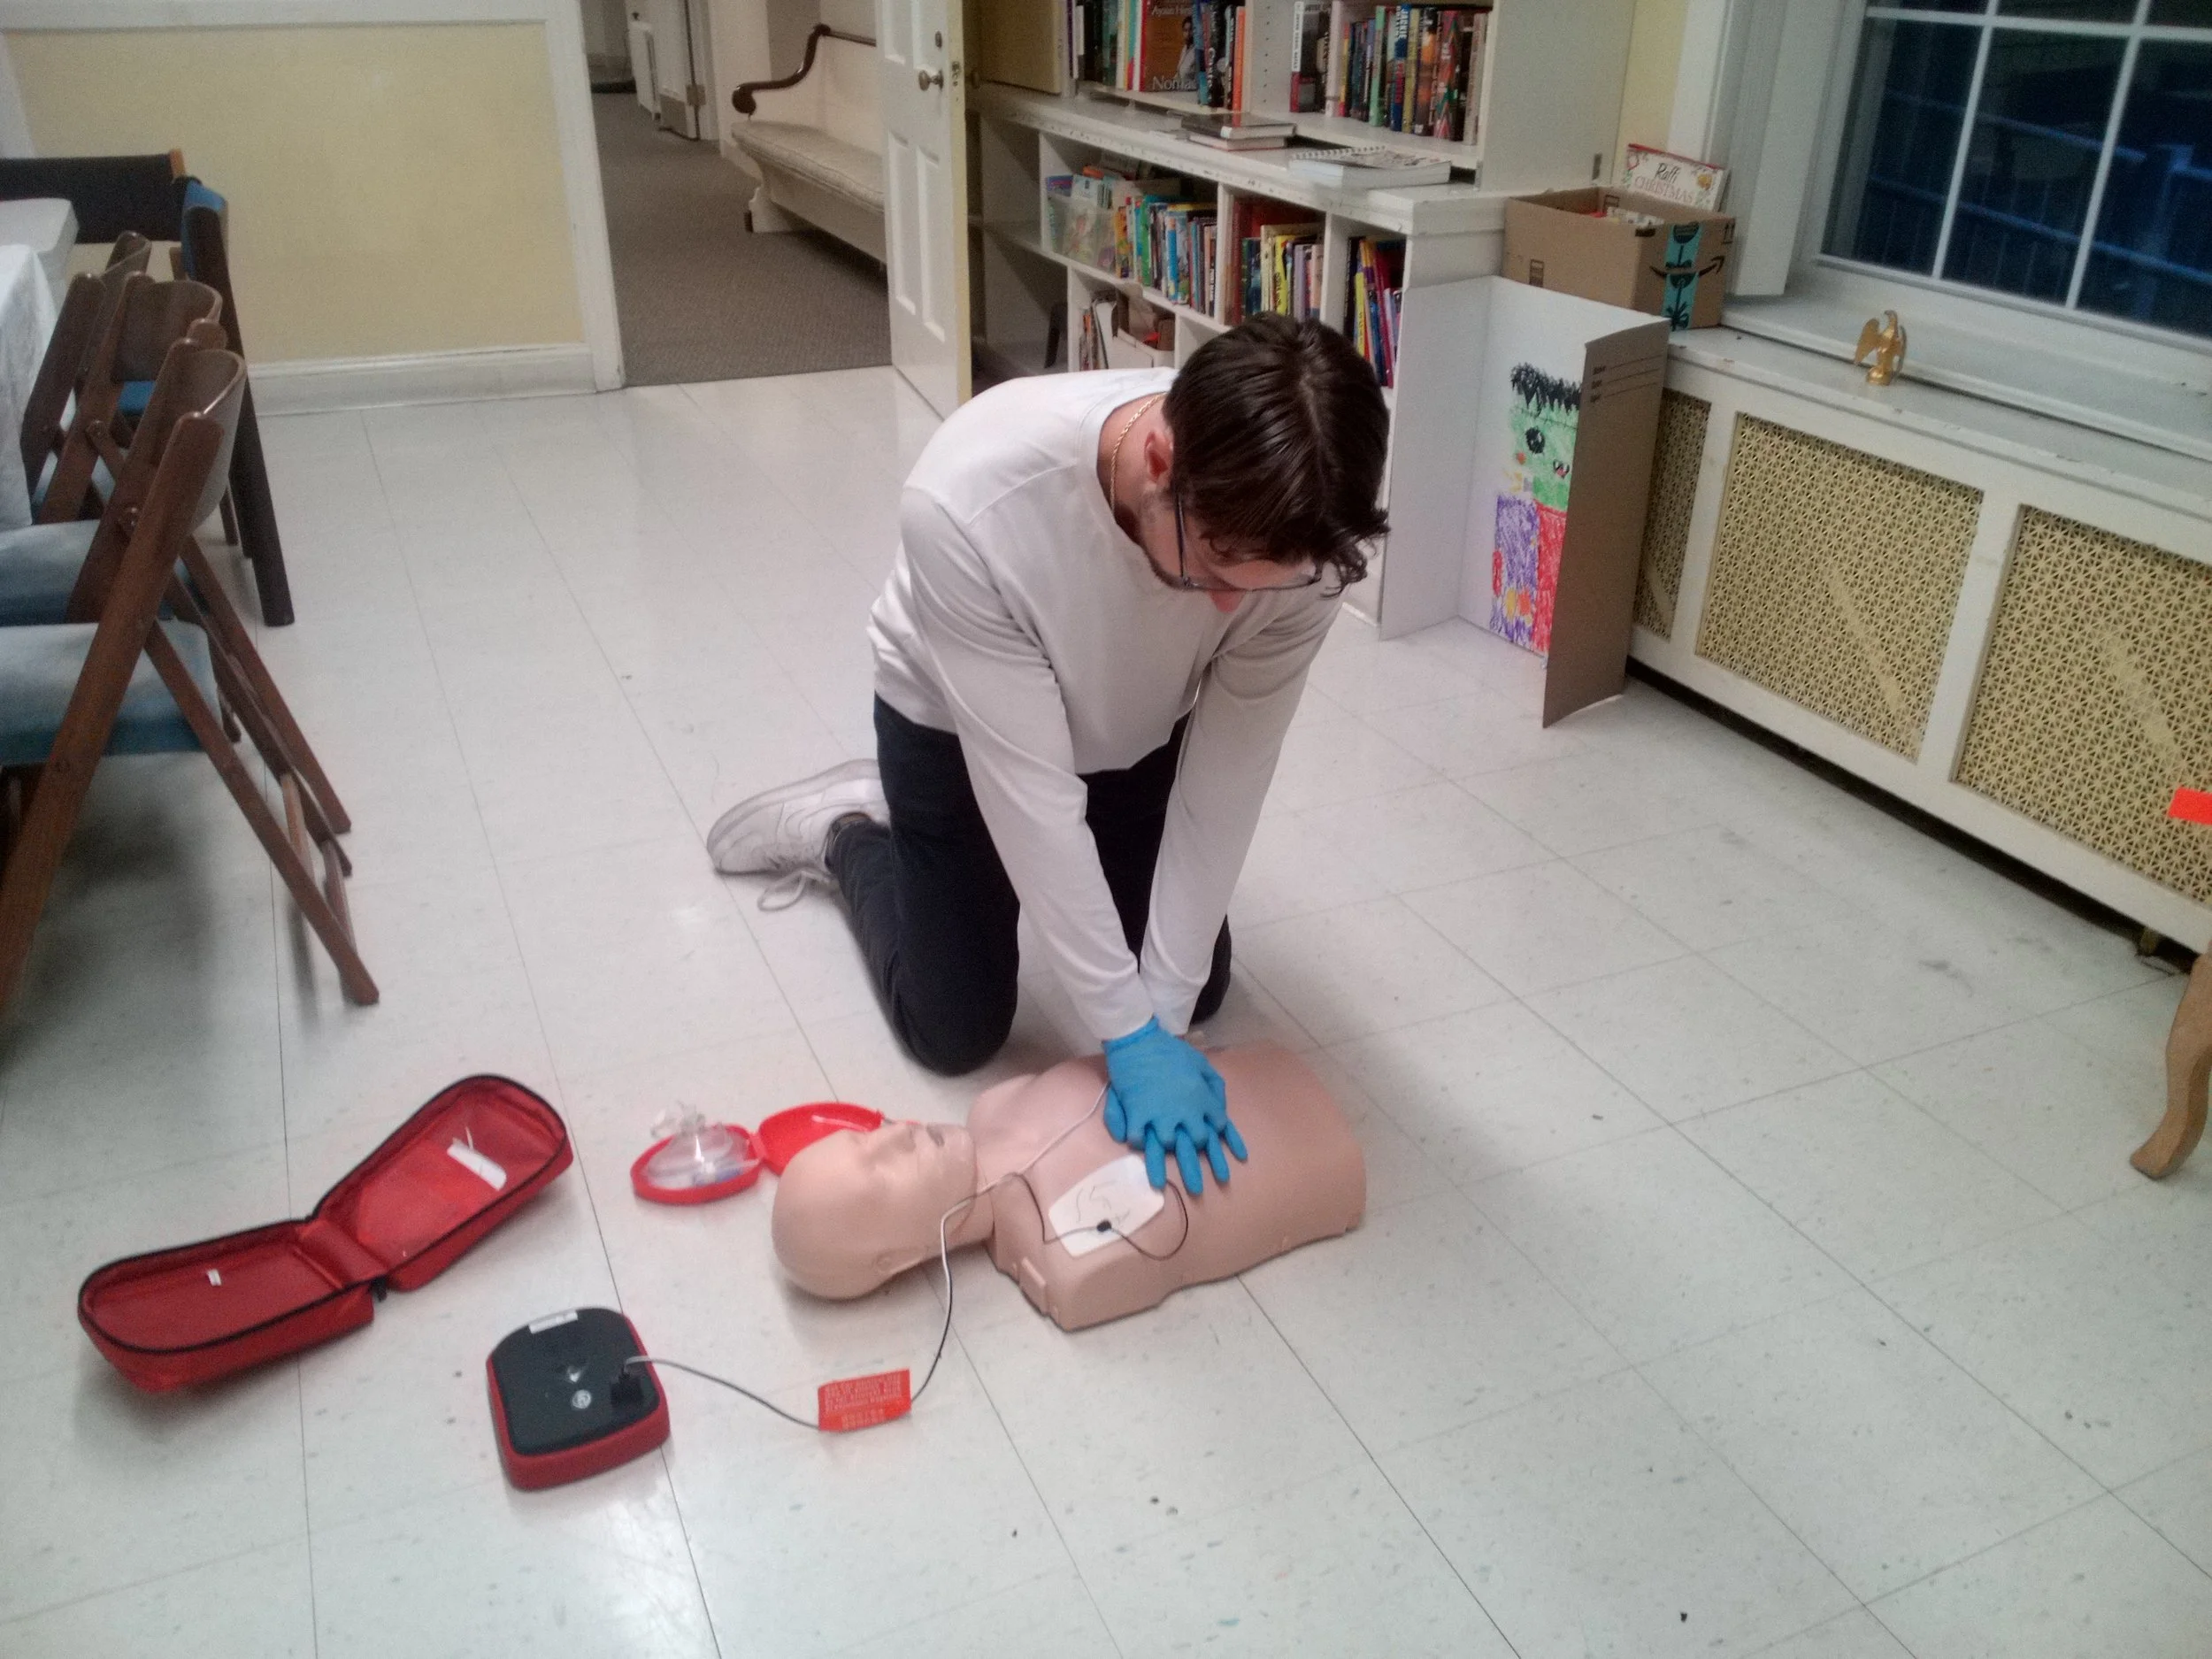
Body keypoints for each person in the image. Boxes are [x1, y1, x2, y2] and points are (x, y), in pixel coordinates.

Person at [709, 316, 1390, 1194]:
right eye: (1215, 562)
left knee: (1198, 986)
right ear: (1157, 458)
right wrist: (1125, 1034)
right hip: (953, 725)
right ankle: (848, 832)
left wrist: (1163, 1029)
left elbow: (1224, 780)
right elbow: (1030, 795)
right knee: (953, 1031)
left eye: (1266, 578)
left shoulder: (1305, 546)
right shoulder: (972, 500)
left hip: (1132, 725)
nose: (1229, 606)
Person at [770, 1043, 1366, 1331]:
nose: (896, 1133)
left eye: (866, 1137)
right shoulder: (1069, 1260)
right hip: (1324, 1150)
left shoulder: (994, 1105)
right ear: (898, 1258)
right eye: (879, 1173)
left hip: (1257, 1074)